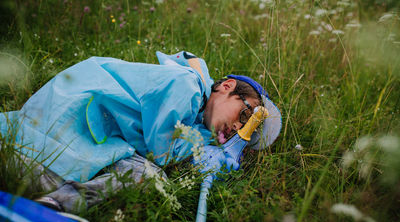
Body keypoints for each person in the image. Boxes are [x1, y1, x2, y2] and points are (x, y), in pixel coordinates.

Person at [0, 51, 281, 213]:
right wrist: (208, 147)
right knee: (150, 175)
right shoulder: (186, 85)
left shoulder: (195, 114)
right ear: (228, 86)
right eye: (244, 115)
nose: (235, 128)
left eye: (241, 131)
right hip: (65, 121)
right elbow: (161, 150)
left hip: (81, 131)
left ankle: (52, 204)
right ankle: (54, 206)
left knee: (145, 175)